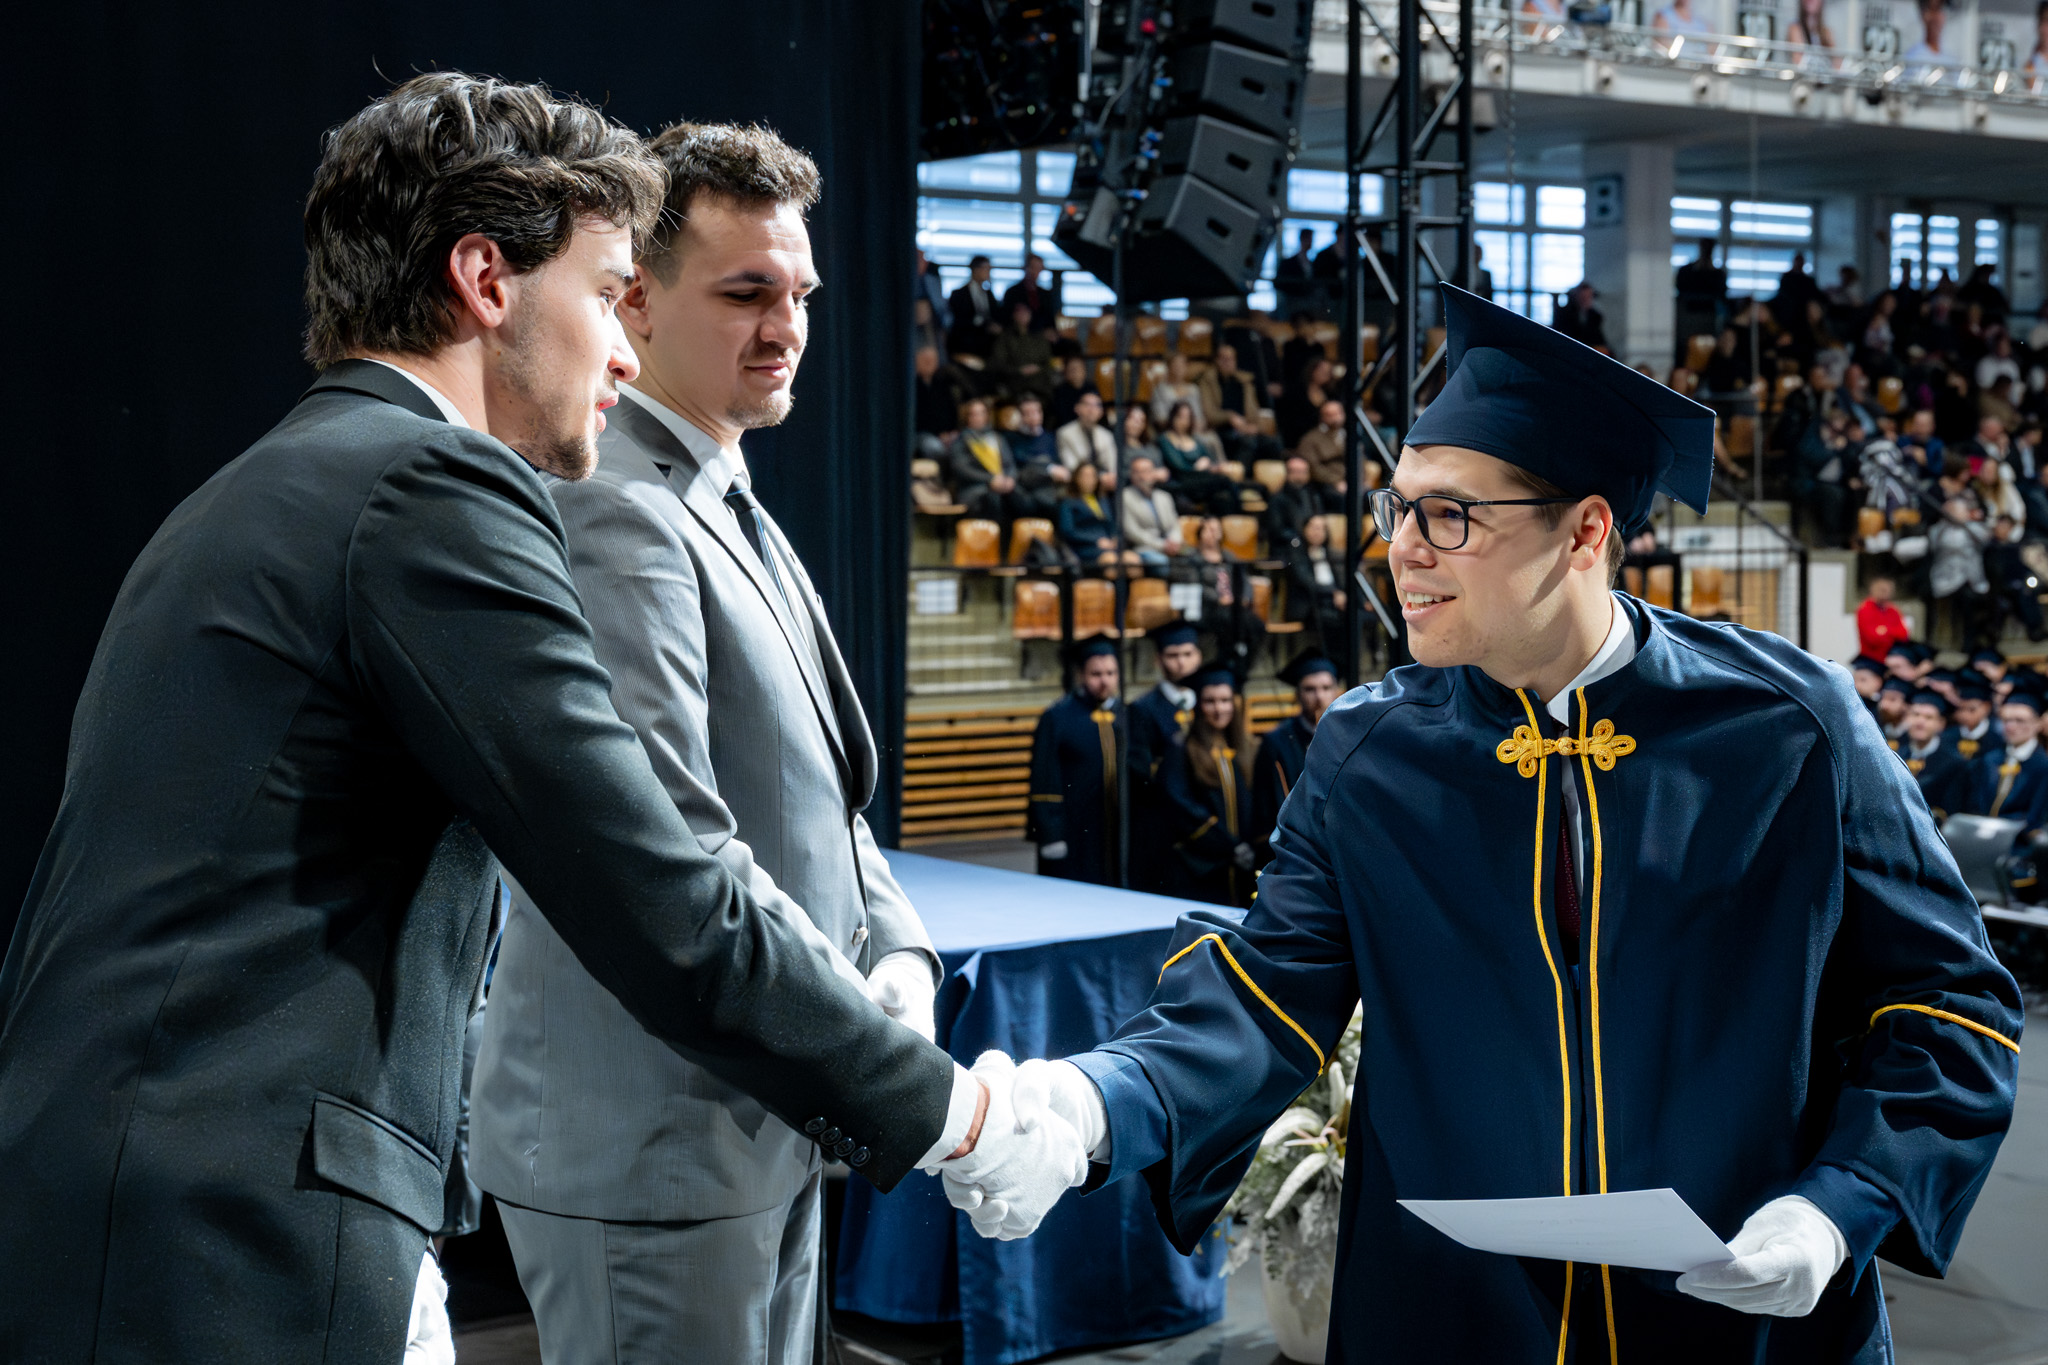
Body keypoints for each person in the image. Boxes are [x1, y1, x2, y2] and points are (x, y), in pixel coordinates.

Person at [0, 73, 1076, 1365]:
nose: (623, 349)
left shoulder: (276, 483)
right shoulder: (431, 484)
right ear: (486, 280)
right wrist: (952, 1115)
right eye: (606, 290)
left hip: (167, 1190)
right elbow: (656, 888)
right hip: (232, 1226)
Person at [946, 284, 2022, 1362]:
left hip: (1737, 1312)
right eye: (1396, 507)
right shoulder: (1370, 751)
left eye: (1449, 515)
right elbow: (1265, 1000)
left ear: (1584, 531)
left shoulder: (1791, 728)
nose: (1402, 548)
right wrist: (1086, 1104)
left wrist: (1836, 1206)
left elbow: (1948, 1002)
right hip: (1456, 1316)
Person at [468, 121, 943, 1365]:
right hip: (654, 1139)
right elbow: (673, 850)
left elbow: (829, 805)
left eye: (798, 293)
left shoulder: (716, 488)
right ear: (635, 298)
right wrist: (872, 1043)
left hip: (754, 1115)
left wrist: (897, 956)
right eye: (744, 293)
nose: (783, 324)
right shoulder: (617, 509)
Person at [1027, 637, 1127, 885]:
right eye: (1096, 674)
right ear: (1081, 674)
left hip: (1115, 827)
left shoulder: (1126, 716)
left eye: (1111, 673)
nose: (1105, 680)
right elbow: (1044, 779)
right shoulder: (1058, 717)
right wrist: (1051, 834)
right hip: (1075, 829)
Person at [1156, 665, 1258, 907]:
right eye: (1210, 701)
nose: (1219, 709)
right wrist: (1229, 845)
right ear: (1198, 706)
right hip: (1204, 866)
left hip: (1246, 864)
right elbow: (1181, 806)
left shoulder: (1248, 749)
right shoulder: (1182, 750)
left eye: (1225, 700)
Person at [1127, 620, 1205, 893]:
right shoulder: (1143, 709)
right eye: (1173, 656)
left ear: (1199, 656)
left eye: (1187, 654)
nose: (1181, 663)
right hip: (1166, 823)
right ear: (1159, 660)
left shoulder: (1209, 702)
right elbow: (1140, 769)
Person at [1251, 651, 1340, 855]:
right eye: (1310, 689)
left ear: (1336, 691)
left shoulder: (1347, 735)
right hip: (1293, 847)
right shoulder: (1277, 741)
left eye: (1326, 688)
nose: (1319, 696)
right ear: (1297, 694)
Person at [1963, 691, 2048, 831]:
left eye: (2019, 720)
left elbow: (2036, 817)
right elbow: (1974, 803)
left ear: (2038, 723)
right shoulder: (1990, 759)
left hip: (2018, 842)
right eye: (2006, 720)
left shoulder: (2043, 766)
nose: (2010, 726)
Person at [948, 397, 1031, 529]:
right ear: (967, 417)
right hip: (975, 488)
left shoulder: (998, 438)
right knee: (993, 499)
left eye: (981, 413)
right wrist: (990, 479)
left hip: (1003, 483)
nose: (978, 417)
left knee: (1023, 500)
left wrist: (1009, 479)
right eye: (974, 414)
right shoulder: (961, 441)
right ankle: (993, 544)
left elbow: (1009, 464)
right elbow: (961, 468)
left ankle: (1017, 544)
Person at [1200, 343, 1281, 465]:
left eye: (1231, 359)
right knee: (1248, 442)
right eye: (1224, 359)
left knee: (1273, 442)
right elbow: (1209, 414)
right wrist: (1230, 417)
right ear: (1217, 360)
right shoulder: (1208, 381)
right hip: (1221, 430)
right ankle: (1238, 477)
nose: (1228, 363)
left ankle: (1271, 480)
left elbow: (1254, 411)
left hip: (1245, 429)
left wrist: (1255, 427)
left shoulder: (1244, 382)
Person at [1158, 400, 1241, 514]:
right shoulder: (1165, 439)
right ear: (1173, 417)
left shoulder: (1194, 439)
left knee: (1226, 491)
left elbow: (1208, 459)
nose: (1184, 421)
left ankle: (1234, 520)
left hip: (1202, 479)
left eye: (1187, 417)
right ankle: (1238, 514)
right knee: (1224, 481)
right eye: (1180, 417)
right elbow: (1179, 466)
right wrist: (1196, 467)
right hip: (1182, 480)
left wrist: (1214, 467)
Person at [1285, 513, 1349, 651]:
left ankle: (1342, 665)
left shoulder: (1331, 553)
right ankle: (1332, 663)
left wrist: (1342, 594)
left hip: (1333, 602)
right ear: (1304, 529)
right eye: (1313, 527)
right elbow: (1305, 581)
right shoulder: (1297, 552)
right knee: (1330, 619)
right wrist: (1334, 593)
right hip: (1309, 603)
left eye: (1321, 528)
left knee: (1353, 615)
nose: (1317, 532)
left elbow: (1341, 580)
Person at [1900, 690, 1966, 820]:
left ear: (1940, 724)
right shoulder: (1895, 756)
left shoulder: (1954, 763)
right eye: (1915, 714)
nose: (1920, 722)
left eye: (1928, 717)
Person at [1120, 455, 1185, 565]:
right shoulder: (1124, 496)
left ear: (1153, 473)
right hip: (1144, 548)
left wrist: (1175, 541)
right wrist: (1162, 545)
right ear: (1131, 475)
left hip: (1171, 545)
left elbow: (1175, 526)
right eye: (1137, 472)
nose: (1142, 476)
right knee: (1161, 562)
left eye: (1146, 471)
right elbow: (1131, 531)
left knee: (1194, 560)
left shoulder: (1164, 497)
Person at [1057, 461, 1123, 564]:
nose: (1089, 480)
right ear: (1076, 478)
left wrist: (1114, 538)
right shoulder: (1068, 502)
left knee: (1132, 559)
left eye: (1093, 476)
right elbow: (1067, 531)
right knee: (1111, 561)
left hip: (1108, 545)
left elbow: (1110, 524)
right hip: (1086, 547)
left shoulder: (1102, 500)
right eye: (1085, 476)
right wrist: (1096, 540)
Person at [992, 300, 1055, 403]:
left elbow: (1048, 362)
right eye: (1019, 311)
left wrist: (1037, 369)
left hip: (1040, 386)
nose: (1022, 315)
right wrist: (1019, 370)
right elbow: (998, 364)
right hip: (1014, 385)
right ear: (1013, 315)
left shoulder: (1039, 337)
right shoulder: (1005, 338)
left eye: (1026, 311)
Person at [913, 344, 967, 458]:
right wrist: (939, 434)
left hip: (948, 433)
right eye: (925, 360)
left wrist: (952, 431)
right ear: (916, 362)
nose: (929, 364)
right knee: (935, 449)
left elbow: (952, 410)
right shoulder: (913, 387)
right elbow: (919, 418)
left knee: (964, 445)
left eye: (932, 360)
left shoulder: (943, 384)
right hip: (924, 434)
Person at [1056, 388, 1119, 485]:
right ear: (1077, 408)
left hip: (1104, 485)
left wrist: (1111, 476)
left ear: (1101, 412)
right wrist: (1099, 478)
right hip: (1077, 484)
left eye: (1096, 406)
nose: (1091, 409)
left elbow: (1112, 466)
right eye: (1087, 405)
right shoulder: (1065, 433)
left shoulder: (1107, 435)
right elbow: (1071, 466)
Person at [1265, 454, 1329, 548]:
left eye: (1303, 472)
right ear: (1287, 473)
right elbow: (1276, 530)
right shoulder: (1277, 499)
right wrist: (1303, 538)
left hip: (1314, 546)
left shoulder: (1313, 496)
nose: (1299, 476)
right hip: (1290, 547)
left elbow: (1320, 519)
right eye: (1295, 472)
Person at [947, 253, 1003, 360]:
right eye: (986, 268)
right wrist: (984, 325)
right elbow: (960, 321)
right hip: (966, 344)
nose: (988, 272)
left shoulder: (989, 294)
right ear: (975, 269)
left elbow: (995, 314)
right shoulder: (959, 294)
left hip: (988, 346)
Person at [1296, 397, 1353, 497]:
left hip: (1351, 482)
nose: (1336, 418)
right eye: (1330, 415)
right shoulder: (1311, 439)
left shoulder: (1349, 437)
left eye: (1338, 414)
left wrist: (1361, 480)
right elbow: (1313, 467)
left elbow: (1360, 460)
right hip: (1325, 484)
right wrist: (1336, 482)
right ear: (1322, 417)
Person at [1943, 675, 2002, 764]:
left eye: (1972, 710)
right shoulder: (1947, 737)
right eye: (1961, 709)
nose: (1965, 715)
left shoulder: (1997, 739)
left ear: (1987, 707)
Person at [1002, 250, 1058, 334]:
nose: (1035, 272)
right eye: (1033, 267)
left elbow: (1050, 318)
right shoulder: (1013, 292)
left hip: (1042, 334)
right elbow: (1007, 318)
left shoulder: (1045, 294)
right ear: (1026, 268)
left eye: (1039, 268)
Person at [1856, 574, 1909, 660]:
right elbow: (1872, 639)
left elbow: (1904, 635)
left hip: (1892, 654)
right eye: (1882, 590)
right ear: (1873, 590)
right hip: (1870, 659)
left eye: (1888, 590)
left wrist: (1885, 630)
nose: (1885, 593)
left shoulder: (1893, 610)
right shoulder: (1865, 609)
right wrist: (1892, 635)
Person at [1150, 352, 1206, 433]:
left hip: (1193, 433)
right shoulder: (1160, 390)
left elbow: (1199, 417)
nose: (1179, 368)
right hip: (1170, 433)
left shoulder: (1193, 389)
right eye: (1176, 365)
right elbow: (1160, 419)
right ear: (1169, 367)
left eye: (1182, 365)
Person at [1552, 281, 1609, 351]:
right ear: (1576, 297)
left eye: (1589, 297)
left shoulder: (1595, 316)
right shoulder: (1564, 314)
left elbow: (1598, 338)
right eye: (1583, 297)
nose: (1586, 300)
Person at [1050, 353, 1098, 430]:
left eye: (1078, 368)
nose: (1076, 372)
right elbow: (1061, 417)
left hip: (1090, 426)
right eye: (1072, 369)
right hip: (1068, 428)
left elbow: (1098, 411)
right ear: (1066, 372)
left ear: (1084, 370)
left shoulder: (1091, 388)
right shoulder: (1060, 391)